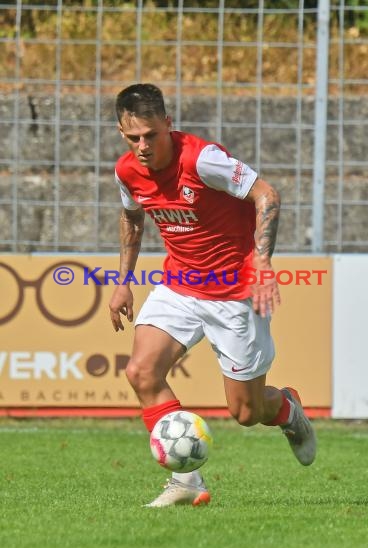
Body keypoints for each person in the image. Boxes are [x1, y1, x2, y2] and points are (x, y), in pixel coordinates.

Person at [109, 83, 316, 508]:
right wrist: (122, 280)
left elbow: (266, 195)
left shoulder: (202, 160)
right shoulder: (127, 171)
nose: (143, 146)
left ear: (168, 124)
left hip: (234, 293)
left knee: (246, 412)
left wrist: (260, 262)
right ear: (121, 132)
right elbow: (132, 218)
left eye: (151, 134)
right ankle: (187, 481)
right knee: (141, 372)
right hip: (179, 286)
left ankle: (287, 409)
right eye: (134, 138)